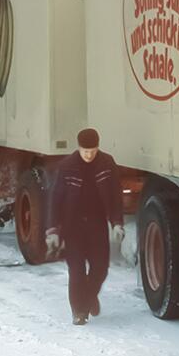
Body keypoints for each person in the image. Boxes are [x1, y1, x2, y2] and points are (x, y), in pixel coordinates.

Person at [46, 128, 125, 325]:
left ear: (98, 148)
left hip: (97, 224)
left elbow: (116, 196)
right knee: (77, 270)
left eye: (92, 151)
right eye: (85, 151)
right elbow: (56, 199)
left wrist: (117, 223)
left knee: (101, 268)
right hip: (72, 226)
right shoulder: (67, 166)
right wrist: (53, 230)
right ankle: (79, 311)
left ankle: (89, 297)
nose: (89, 155)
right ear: (79, 148)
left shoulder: (107, 164)